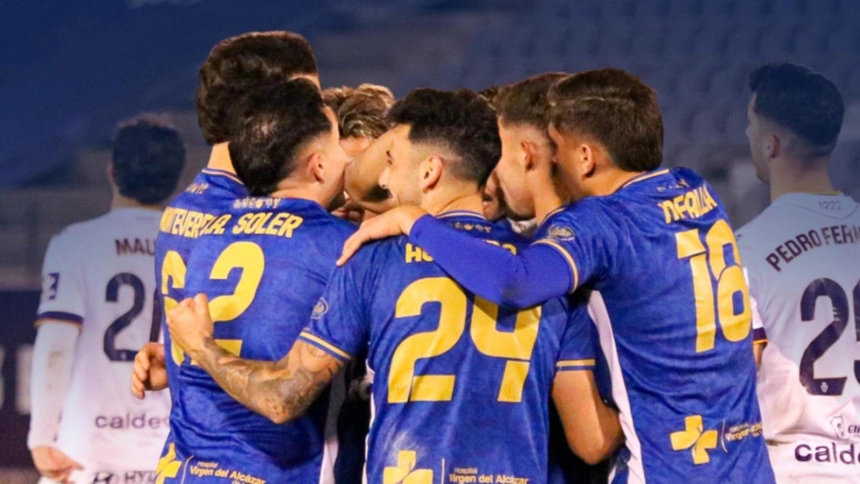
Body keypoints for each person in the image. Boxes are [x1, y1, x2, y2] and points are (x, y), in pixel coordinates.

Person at [337, 69, 776, 483]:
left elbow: (516, 281)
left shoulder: (593, 230)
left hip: (666, 467)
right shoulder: (694, 191)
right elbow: (754, 343)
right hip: (745, 465)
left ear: (583, 157)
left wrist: (415, 222)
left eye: (559, 150)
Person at [167, 88, 621, 483]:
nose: (381, 177)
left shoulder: (370, 257)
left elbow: (284, 398)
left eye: (391, 161)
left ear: (428, 173)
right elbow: (591, 441)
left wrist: (204, 348)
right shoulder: (548, 270)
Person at [154, 79, 352, 482]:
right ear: (319, 165)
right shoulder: (344, 246)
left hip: (187, 470)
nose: (348, 155)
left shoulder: (209, 230)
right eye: (339, 143)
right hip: (276, 471)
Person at [29, 118, 185, 484]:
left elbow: (55, 346)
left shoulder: (75, 242)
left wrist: (41, 437)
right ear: (176, 181)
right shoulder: (190, 246)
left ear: (112, 171)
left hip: (85, 455)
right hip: (167, 453)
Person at [737, 62, 858, 484]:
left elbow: (734, 383)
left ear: (770, 145)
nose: (747, 136)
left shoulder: (744, 250)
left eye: (751, 125)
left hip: (788, 469)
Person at [493, 72, 617, 484]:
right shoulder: (631, 232)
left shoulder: (552, 265)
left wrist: (649, 402)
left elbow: (591, 439)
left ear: (526, 154)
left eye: (500, 152)